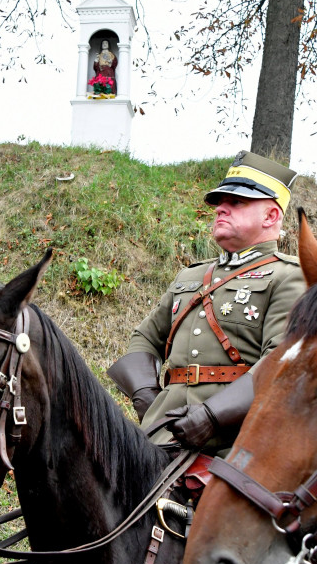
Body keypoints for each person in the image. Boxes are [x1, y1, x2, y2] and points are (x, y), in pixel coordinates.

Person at [108, 150, 306, 455]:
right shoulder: (193, 274)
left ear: (271, 216)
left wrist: (213, 417)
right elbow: (145, 338)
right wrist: (146, 396)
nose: (220, 210)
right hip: (161, 434)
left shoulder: (289, 276)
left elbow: (280, 361)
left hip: (236, 442)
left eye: (236, 202)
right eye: (219, 203)